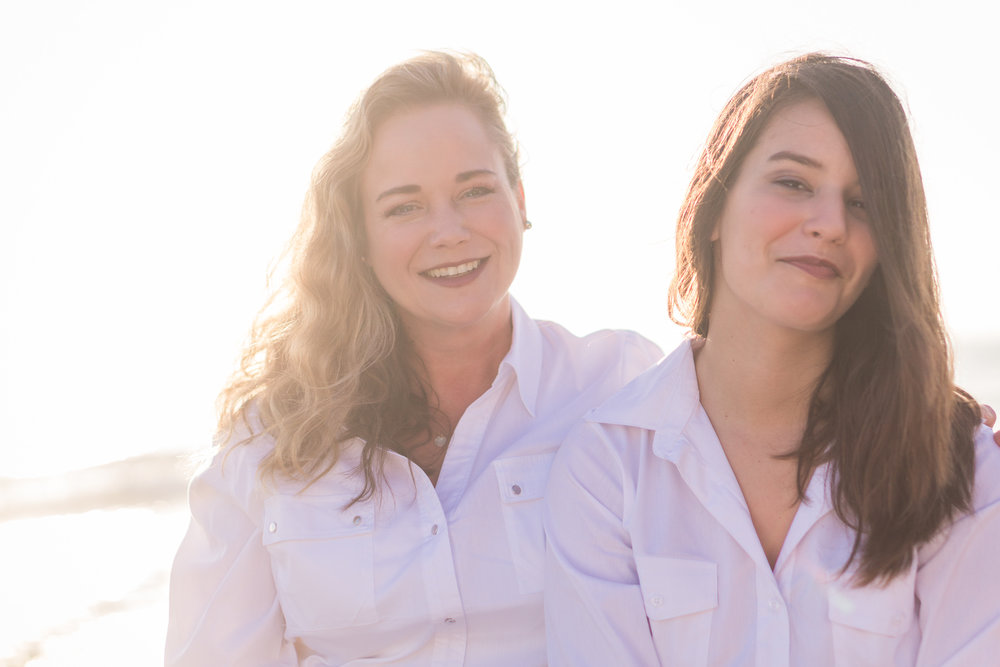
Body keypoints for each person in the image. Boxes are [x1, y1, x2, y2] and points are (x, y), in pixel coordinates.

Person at [164, 51, 661, 666]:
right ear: (360, 236)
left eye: (475, 190)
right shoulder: (269, 439)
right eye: (405, 206)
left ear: (520, 198)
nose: (448, 230)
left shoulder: (619, 388)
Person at [544, 53, 1000, 666]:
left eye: (863, 202)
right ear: (715, 204)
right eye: (794, 182)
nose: (830, 223)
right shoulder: (609, 466)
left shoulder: (959, 464)